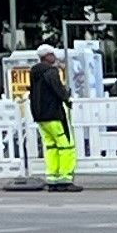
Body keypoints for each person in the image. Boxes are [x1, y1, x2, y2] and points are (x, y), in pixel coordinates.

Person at [27, 45, 76, 189]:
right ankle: (65, 179)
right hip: (54, 115)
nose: (54, 57)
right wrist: (67, 98)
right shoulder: (51, 72)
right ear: (46, 56)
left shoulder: (34, 72)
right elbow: (58, 89)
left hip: (41, 116)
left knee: (51, 147)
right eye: (52, 54)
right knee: (66, 146)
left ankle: (52, 179)